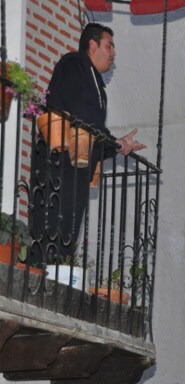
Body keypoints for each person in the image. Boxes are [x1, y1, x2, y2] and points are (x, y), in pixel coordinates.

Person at [29, 23, 145, 265]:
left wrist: (116, 144)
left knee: (68, 228)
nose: (114, 53)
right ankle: (41, 270)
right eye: (110, 45)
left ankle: (57, 272)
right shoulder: (75, 63)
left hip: (77, 166)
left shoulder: (98, 85)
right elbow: (83, 115)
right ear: (92, 45)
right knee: (53, 221)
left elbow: (92, 133)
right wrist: (114, 142)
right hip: (59, 162)